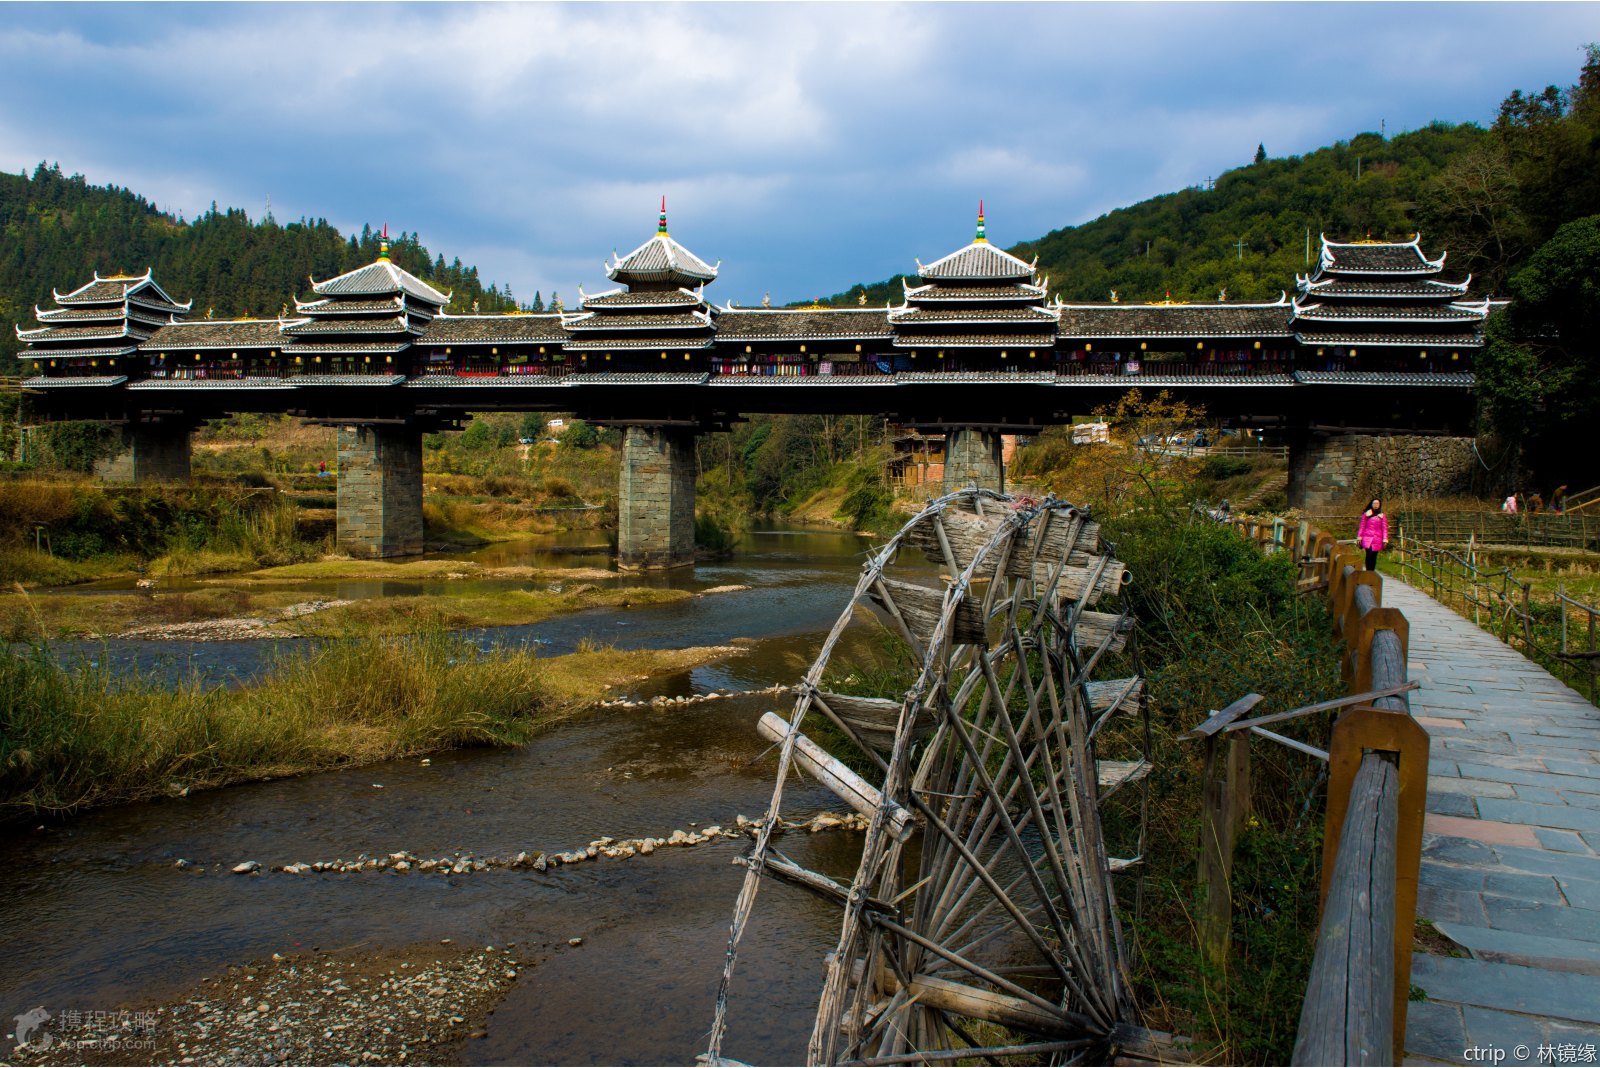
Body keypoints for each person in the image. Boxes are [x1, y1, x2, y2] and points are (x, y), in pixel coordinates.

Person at [1357, 496, 1388, 572]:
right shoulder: (1366, 514)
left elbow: (1384, 528)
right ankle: (1368, 570)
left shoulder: (1382, 516)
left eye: (1377, 503)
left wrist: (1385, 539)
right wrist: (1359, 537)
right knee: (1369, 554)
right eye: (1374, 503)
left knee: (1374, 556)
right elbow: (1362, 526)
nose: (1376, 505)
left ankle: (1372, 572)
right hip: (1367, 537)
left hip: (1377, 538)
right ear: (1371, 504)